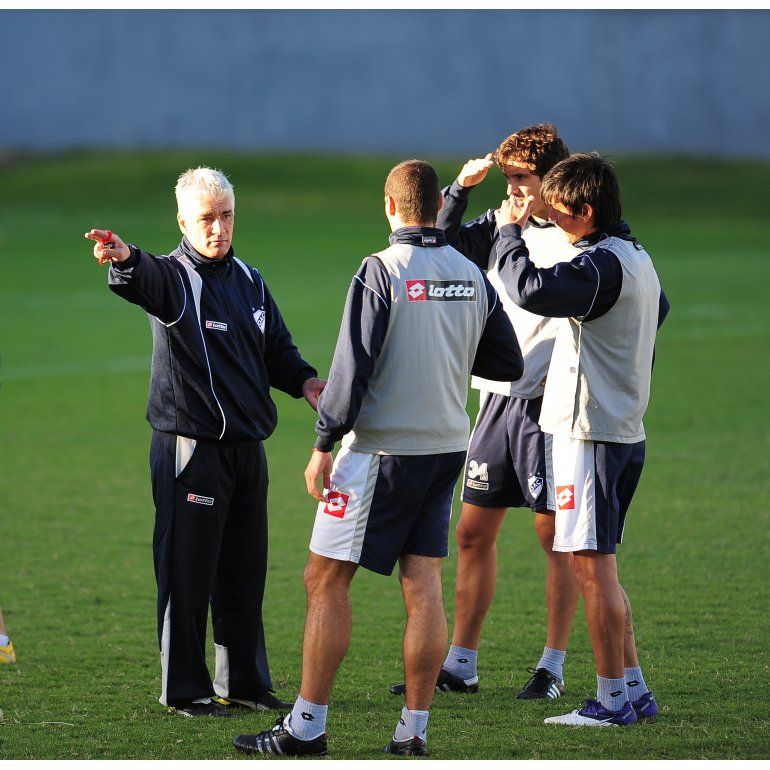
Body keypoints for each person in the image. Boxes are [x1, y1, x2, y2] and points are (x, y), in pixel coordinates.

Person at [232, 160, 523, 757]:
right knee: (422, 584)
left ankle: (306, 727)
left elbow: (349, 372)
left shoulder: (379, 271)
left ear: (390, 207)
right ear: (430, 206)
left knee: (325, 577)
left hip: (381, 454)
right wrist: (442, 354)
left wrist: (320, 445)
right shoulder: (470, 273)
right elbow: (508, 364)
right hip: (446, 448)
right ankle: (413, 732)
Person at [85, 167, 324, 718]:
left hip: (247, 453)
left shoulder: (250, 278)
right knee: (187, 574)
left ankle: (244, 682)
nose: (217, 229)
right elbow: (141, 276)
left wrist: (305, 382)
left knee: (243, 574)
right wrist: (124, 257)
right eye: (205, 219)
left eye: (225, 216)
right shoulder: (173, 278)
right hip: (190, 452)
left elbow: (277, 352)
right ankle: (185, 690)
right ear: (183, 222)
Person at [390, 123, 580, 701]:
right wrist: (459, 193)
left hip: (550, 407)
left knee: (556, 539)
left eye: (523, 179)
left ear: (552, 180)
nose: (515, 190)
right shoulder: (502, 226)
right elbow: (437, 249)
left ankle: (552, 665)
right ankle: (462, 662)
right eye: (511, 180)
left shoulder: (574, 237)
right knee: (472, 534)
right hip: (496, 401)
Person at [492, 152, 669, 726]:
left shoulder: (599, 266)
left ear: (587, 211)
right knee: (601, 566)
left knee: (592, 568)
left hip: (590, 433)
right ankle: (635, 689)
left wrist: (509, 233)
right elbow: (657, 311)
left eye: (562, 212)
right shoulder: (636, 257)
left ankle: (611, 699)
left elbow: (531, 290)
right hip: (620, 429)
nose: (555, 220)